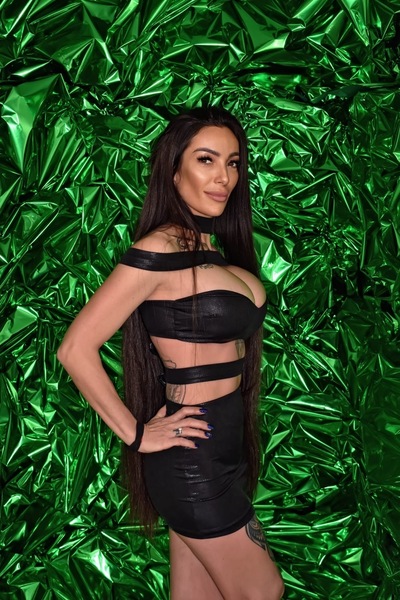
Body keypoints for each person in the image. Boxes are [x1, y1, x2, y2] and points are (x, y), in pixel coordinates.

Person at [57, 107, 284, 600]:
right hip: (192, 460)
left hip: (223, 449)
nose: (224, 177)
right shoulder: (159, 249)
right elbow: (75, 348)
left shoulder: (210, 249)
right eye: (206, 159)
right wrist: (137, 434)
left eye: (233, 162)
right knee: (262, 592)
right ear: (173, 170)